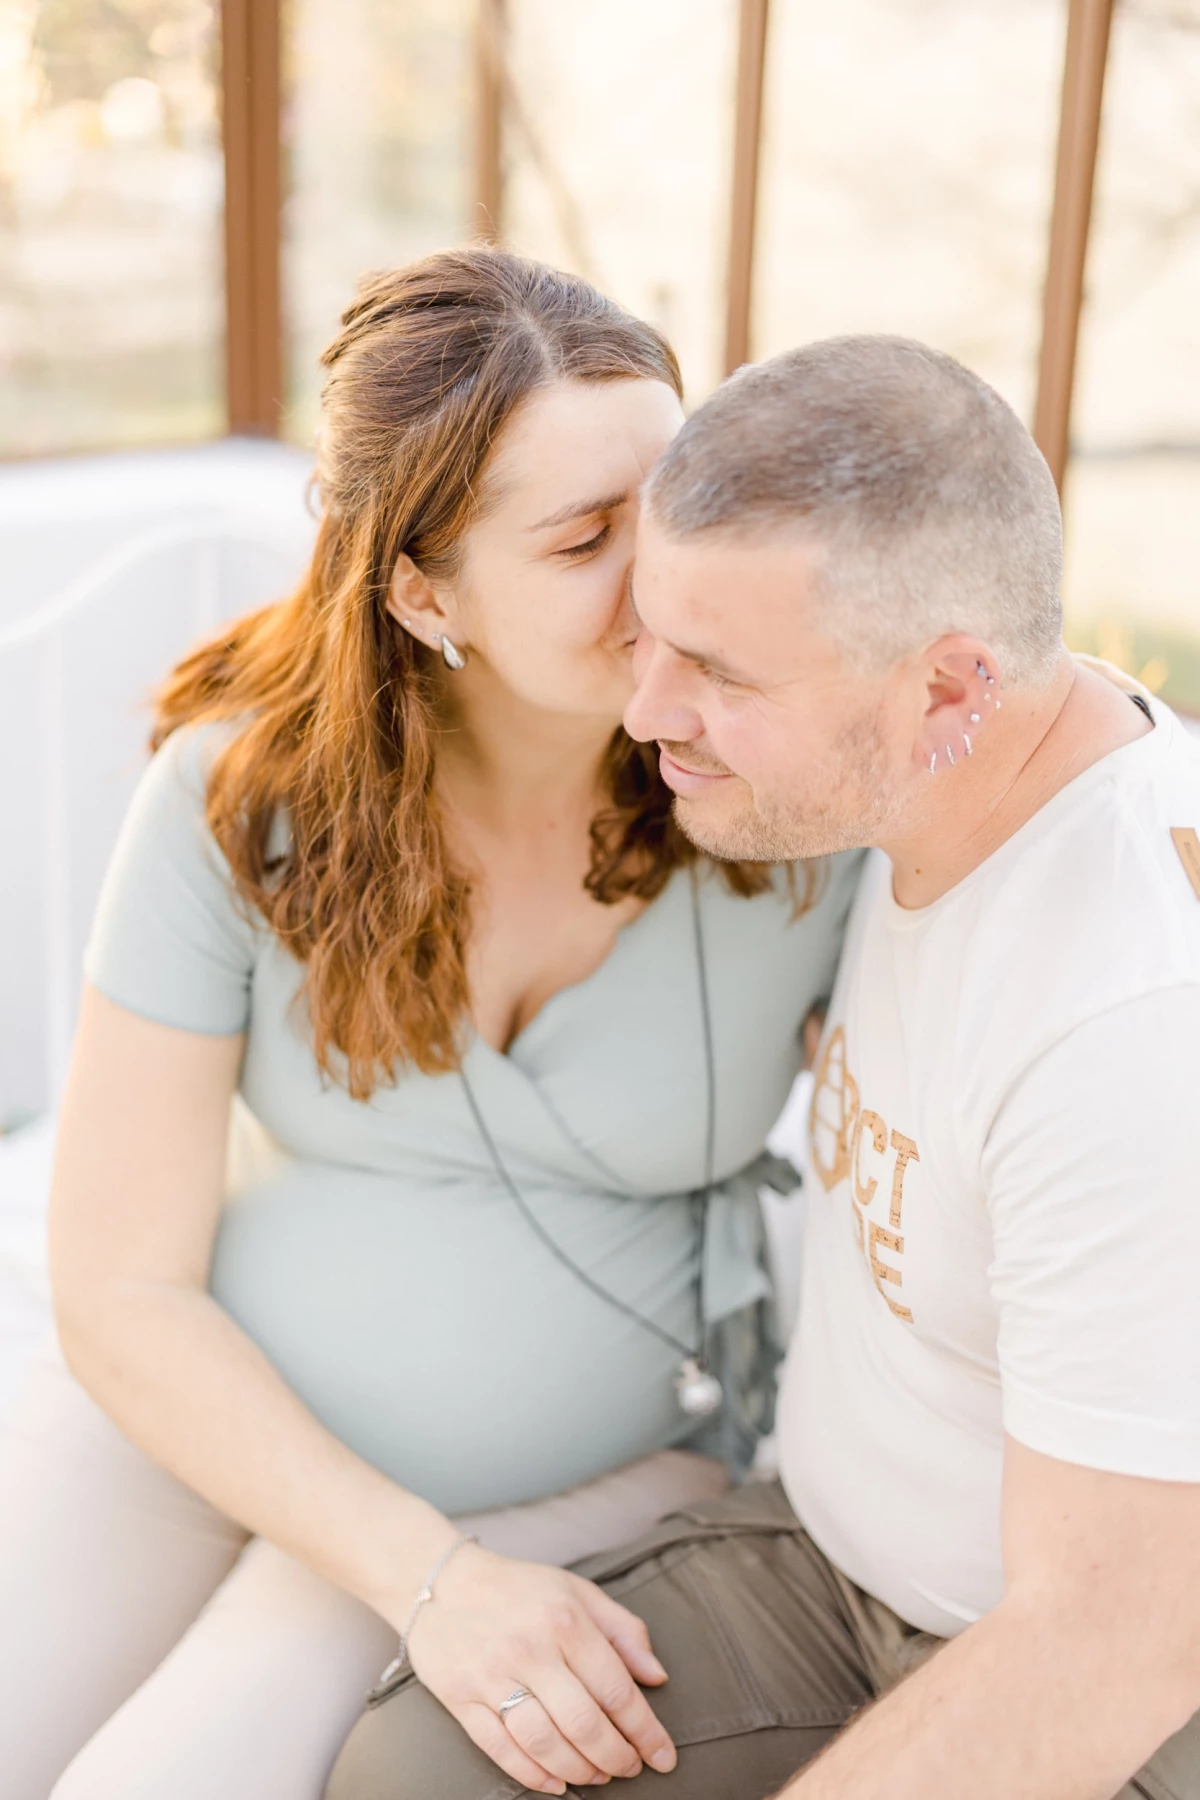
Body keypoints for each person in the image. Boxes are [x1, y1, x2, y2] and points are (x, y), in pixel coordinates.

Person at [0, 252, 860, 1800]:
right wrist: (422, 1576)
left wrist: (437, 1575)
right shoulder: (233, 803)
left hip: (570, 1473)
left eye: (676, 501)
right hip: (201, 1433)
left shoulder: (787, 803)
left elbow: (1043, 804)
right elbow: (118, 1289)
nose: (659, 574)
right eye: (587, 537)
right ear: (420, 590)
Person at [327, 335, 1200, 1800]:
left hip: (1085, 1693)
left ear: (946, 689)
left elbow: (1115, 1641)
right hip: (825, 1567)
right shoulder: (960, 760)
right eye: (650, 633)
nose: (645, 707)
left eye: (716, 673)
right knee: (419, 1771)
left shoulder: (1132, 1019)